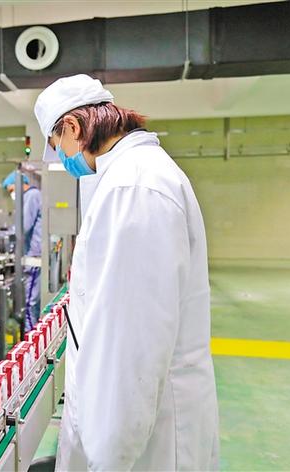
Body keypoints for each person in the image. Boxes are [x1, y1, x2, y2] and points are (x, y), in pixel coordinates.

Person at [34, 74, 219, 470]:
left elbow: (131, 349)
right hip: (139, 427)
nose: (62, 158)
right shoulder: (129, 177)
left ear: (73, 128)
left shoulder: (134, 188)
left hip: (145, 443)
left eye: (56, 145)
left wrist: (110, 459)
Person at [2, 172, 42, 332]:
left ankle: (31, 339)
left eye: (12, 190)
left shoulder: (31, 196)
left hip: (34, 257)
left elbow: (22, 226)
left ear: (19, 184)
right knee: (32, 302)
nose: (12, 194)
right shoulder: (32, 196)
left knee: (29, 303)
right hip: (33, 255)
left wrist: (6, 237)